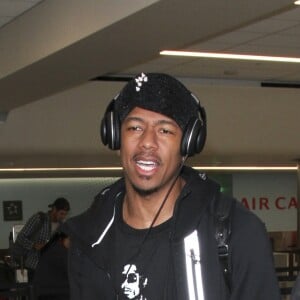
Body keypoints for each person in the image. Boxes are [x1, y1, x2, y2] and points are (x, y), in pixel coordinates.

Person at [62, 73, 280, 299]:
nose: (147, 142)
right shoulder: (88, 239)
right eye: (135, 127)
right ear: (116, 137)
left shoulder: (237, 233)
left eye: (165, 130)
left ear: (188, 144)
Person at [12, 197, 70, 278]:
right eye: (61, 213)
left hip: (51, 268)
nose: (63, 217)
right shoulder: (39, 219)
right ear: (54, 209)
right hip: (33, 266)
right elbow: (21, 237)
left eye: (65, 214)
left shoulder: (62, 226)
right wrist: (35, 245)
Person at [33, 232, 70, 300]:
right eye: (70, 240)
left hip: (45, 292)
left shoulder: (53, 247)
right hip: (52, 293)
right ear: (62, 239)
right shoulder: (60, 251)